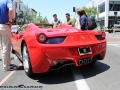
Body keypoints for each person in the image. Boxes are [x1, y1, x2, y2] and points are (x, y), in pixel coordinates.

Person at [0, 0, 17, 71]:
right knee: (6, 47)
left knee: (2, 47)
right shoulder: (8, 1)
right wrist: (10, 21)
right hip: (4, 26)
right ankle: (6, 66)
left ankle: (8, 63)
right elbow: (11, 9)